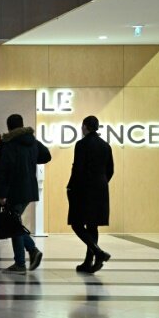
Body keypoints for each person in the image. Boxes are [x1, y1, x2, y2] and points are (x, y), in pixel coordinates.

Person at [0, 114, 51, 274]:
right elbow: (47, 155)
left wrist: (2, 193)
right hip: (29, 188)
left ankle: (26, 256)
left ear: (9, 126)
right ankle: (24, 258)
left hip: (14, 189)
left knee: (14, 225)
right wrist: (30, 161)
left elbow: (4, 170)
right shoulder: (32, 141)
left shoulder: (9, 144)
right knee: (15, 222)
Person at [67, 115, 114, 273]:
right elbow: (110, 170)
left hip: (83, 189)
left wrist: (71, 186)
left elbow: (78, 168)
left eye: (82, 126)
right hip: (100, 189)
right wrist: (101, 182)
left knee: (77, 223)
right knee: (92, 225)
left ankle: (98, 253)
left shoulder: (81, 144)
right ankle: (89, 261)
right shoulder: (105, 146)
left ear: (85, 126)